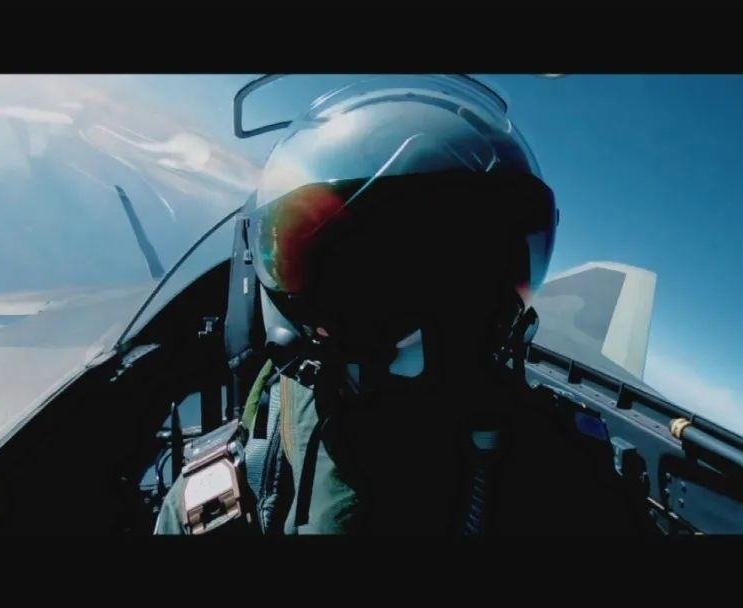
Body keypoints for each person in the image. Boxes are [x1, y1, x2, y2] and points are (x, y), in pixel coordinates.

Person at [155, 75, 648, 535]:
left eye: (458, 277)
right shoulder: (572, 476)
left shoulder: (571, 477)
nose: (413, 337)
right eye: (362, 274)